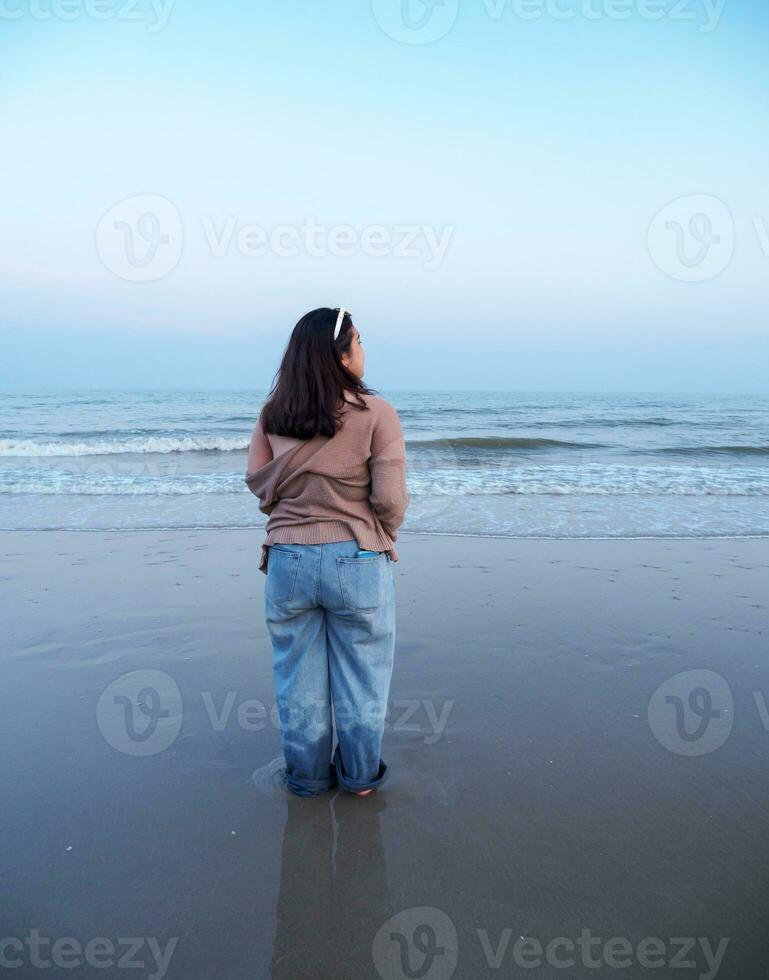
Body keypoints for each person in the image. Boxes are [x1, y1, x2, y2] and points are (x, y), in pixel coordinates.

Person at [245, 307, 409, 798]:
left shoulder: (274, 413)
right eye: (358, 341)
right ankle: (359, 778)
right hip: (356, 556)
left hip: (288, 560)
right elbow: (390, 499)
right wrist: (383, 535)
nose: (363, 350)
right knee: (364, 676)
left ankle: (309, 779)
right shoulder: (376, 413)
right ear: (341, 354)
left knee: (297, 679)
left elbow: (258, 484)